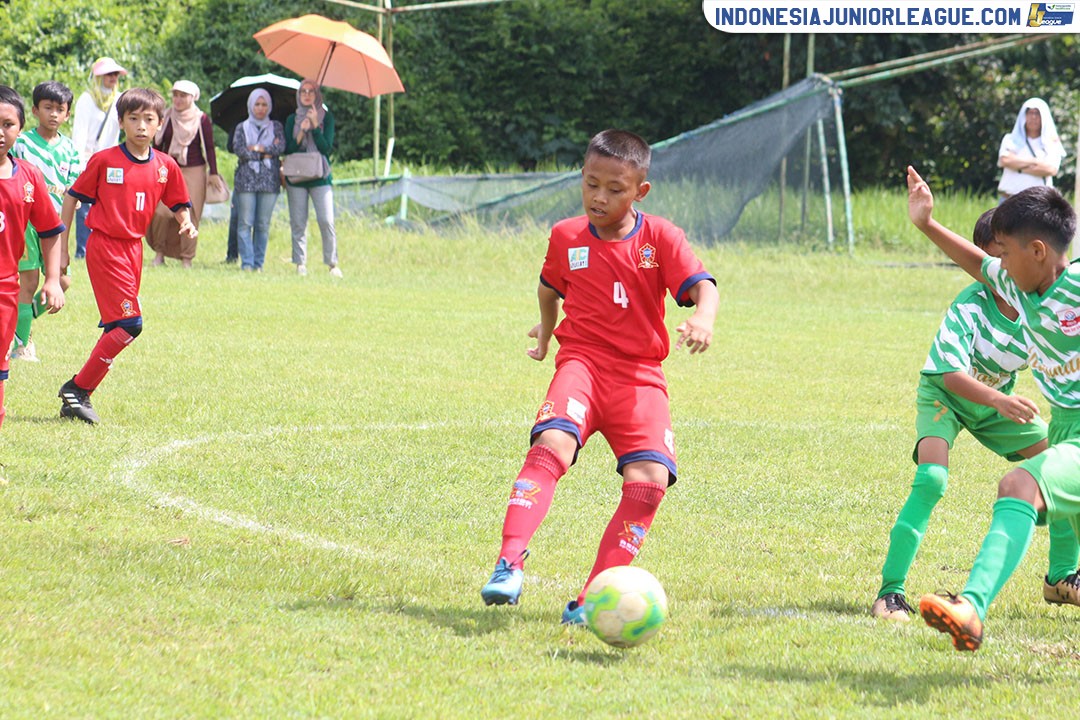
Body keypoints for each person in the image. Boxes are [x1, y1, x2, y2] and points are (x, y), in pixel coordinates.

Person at [479, 129, 719, 624]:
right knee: (551, 445)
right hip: (582, 364)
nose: (599, 197)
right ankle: (509, 564)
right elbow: (549, 289)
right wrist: (546, 332)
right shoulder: (566, 236)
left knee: (650, 481)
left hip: (640, 377)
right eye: (591, 184)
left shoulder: (660, 238)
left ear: (640, 191)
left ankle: (593, 600)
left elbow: (704, 287)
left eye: (615, 188)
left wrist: (704, 317)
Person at [872, 206, 1080, 622]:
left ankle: (1061, 575)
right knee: (932, 479)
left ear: (1033, 252)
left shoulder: (1036, 298)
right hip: (946, 396)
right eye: (994, 257)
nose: (997, 268)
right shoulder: (972, 303)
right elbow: (949, 375)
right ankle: (890, 592)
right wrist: (926, 223)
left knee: (1052, 465)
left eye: (1004, 256)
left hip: (998, 403)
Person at [57, 88, 194, 425]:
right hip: (105, 246)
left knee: (119, 325)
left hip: (134, 249)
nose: (141, 126)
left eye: (149, 119)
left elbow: (179, 201)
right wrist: (62, 247)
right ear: (121, 122)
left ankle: (76, 397)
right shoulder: (104, 160)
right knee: (131, 324)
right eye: (133, 119)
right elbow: (72, 197)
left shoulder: (165, 166)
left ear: (160, 123)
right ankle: (77, 388)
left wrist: (186, 221)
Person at [0, 86, 66, 426]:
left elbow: (50, 230)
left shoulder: (28, 177)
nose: (0, 132)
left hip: (5, 289)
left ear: (20, 128)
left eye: (7, 124)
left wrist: (52, 279)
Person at [9, 81, 80, 362]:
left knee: (62, 280)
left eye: (59, 109)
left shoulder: (70, 150)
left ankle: (16, 322)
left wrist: (65, 239)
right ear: (35, 111)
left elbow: (72, 194)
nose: (53, 114)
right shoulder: (21, 143)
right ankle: (21, 345)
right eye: (47, 108)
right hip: (26, 224)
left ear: (67, 114)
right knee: (28, 284)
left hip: (55, 227)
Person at [147, 80, 223, 268]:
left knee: (191, 213)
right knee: (161, 212)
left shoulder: (201, 119)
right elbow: (157, 145)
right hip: (168, 168)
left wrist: (213, 172)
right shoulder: (166, 116)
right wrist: (151, 168)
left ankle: (187, 258)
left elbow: (209, 147)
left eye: (183, 96)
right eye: (175, 95)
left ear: (193, 97)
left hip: (194, 170)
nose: (178, 99)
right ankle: (159, 253)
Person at [283, 80, 341, 278]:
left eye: (311, 92)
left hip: (320, 176)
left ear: (317, 95)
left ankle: (332, 263)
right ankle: (300, 263)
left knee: (326, 220)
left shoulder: (327, 118)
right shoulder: (292, 119)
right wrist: (301, 131)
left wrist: (315, 126)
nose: (307, 95)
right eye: (303, 91)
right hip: (296, 176)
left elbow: (326, 148)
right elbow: (288, 149)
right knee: (298, 222)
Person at [71, 57, 125, 260]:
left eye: (115, 74)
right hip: (87, 159)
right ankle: (83, 250)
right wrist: (78, 163)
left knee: (109, 205)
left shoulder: (120, 100)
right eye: (108, 74)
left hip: (111, 161)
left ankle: (105, 249)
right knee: (84, 207)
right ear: (98, 76)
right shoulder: (87, 99)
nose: (113, 78)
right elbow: (79, 133)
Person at [231, 89, 284, 272]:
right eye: (257, 104)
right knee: (245, 222)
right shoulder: (242, 127)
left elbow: (280, 148)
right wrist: (265, 152)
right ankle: (247, 263)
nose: (261, 108)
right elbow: (239, 150)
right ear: (251, 106)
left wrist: (255, 148)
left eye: (264, 104)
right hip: (246, 180)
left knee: (262, 224)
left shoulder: (276, 126)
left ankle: (258, 264)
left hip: (269, 181)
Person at [997, 98, 1065, 201]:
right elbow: (1005, 160)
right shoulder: (1010, 139)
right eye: (1030, 113)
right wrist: (1035, 161)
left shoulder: (1052, 142)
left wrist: (1017, 167)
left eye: (1037, 113)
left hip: (1038, 202)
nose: (1033, 117)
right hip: (1009, 199)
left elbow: (1051, 169)